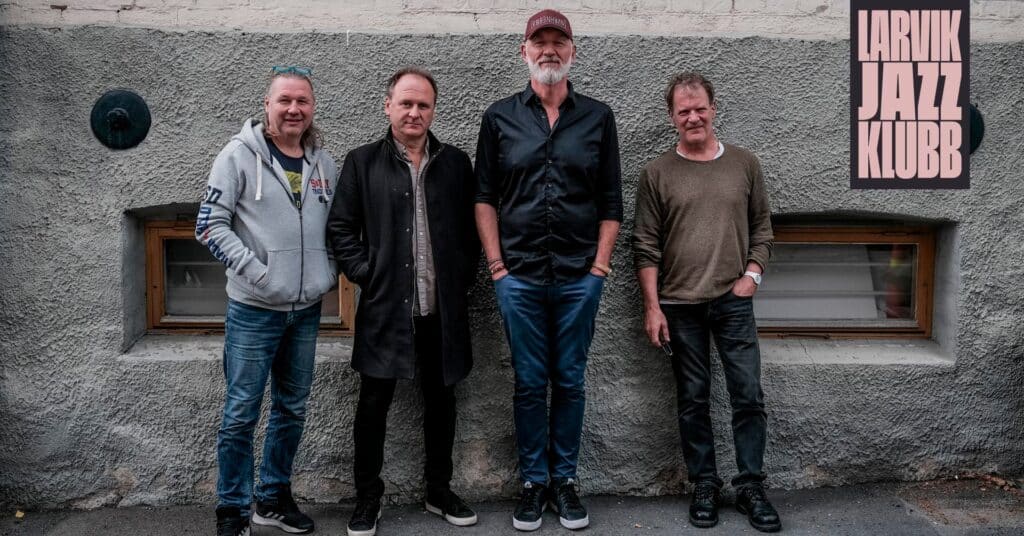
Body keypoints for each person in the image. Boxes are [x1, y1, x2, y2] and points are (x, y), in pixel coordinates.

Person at [474, 9, 622, 532]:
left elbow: (611, 201)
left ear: (572, 51)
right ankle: (534, 484)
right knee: (530, 382)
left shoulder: (598, 117)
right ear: (525, 52)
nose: (550, 49)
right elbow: (484, 198)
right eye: (540, 42)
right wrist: (497, 266)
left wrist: (599, 268)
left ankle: (565, 481)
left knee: (571, 381)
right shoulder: (499, 118)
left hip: (580, 277)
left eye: (559, 41)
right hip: (519, 277)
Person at [326, 67, 480, 536]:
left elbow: (472, 231)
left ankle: (438, 490)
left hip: (440, 308)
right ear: (388, 106)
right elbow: (340, 229)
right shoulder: (362, 162)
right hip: (385, 308)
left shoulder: (455, 164)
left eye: (423, 105)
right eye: (406, 103)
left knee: (442, 401)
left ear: (433, 110)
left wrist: (460, 278)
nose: (414, 112)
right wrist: (367, 274)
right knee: (373, 405)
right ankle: (367, 498)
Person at [631, 72, 781, 533]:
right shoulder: (657, 174)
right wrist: (653, 307)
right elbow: (645, 245)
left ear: (714, 109)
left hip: (733, 301)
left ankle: (751, 486)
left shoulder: (744, 164)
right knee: (692, 398)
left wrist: (752, 276)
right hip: (679, 305)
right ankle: (704, 484)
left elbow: (763, 228)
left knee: (748, 395)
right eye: (684, 111)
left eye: (700, 109)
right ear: (671, 117)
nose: (693, 117)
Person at [197, 65, 338, 536]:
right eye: (285, 100)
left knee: (292, 408)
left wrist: (327, 272)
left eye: (302, 101)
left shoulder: (323, 163)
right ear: (267, 105)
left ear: (312, 107)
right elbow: (208, 225)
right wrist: (259, 273)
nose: (294, 109)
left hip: (306, 310)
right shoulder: (237, 156)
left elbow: (333, 229)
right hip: (254, 310)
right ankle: (232, 510)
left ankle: (272, 499)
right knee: (241, 413)